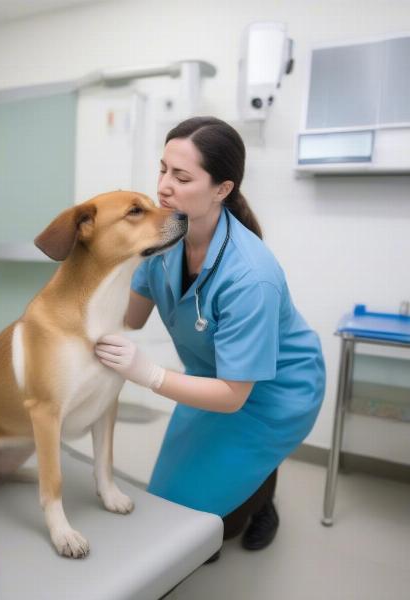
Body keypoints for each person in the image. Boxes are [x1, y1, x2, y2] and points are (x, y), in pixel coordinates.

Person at [94, 116, 325, 560]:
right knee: (169, 500)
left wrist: (148, 374)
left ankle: (261, 504)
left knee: (209, 529)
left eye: (181, 177)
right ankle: (246, 483)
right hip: (210, 378)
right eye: (162, 169)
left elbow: (235, 395)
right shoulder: (162, 240)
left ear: (221, 189)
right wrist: (102, 267)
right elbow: (132, 317)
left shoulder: (251, 277)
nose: (163, 186)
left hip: (273, 393)